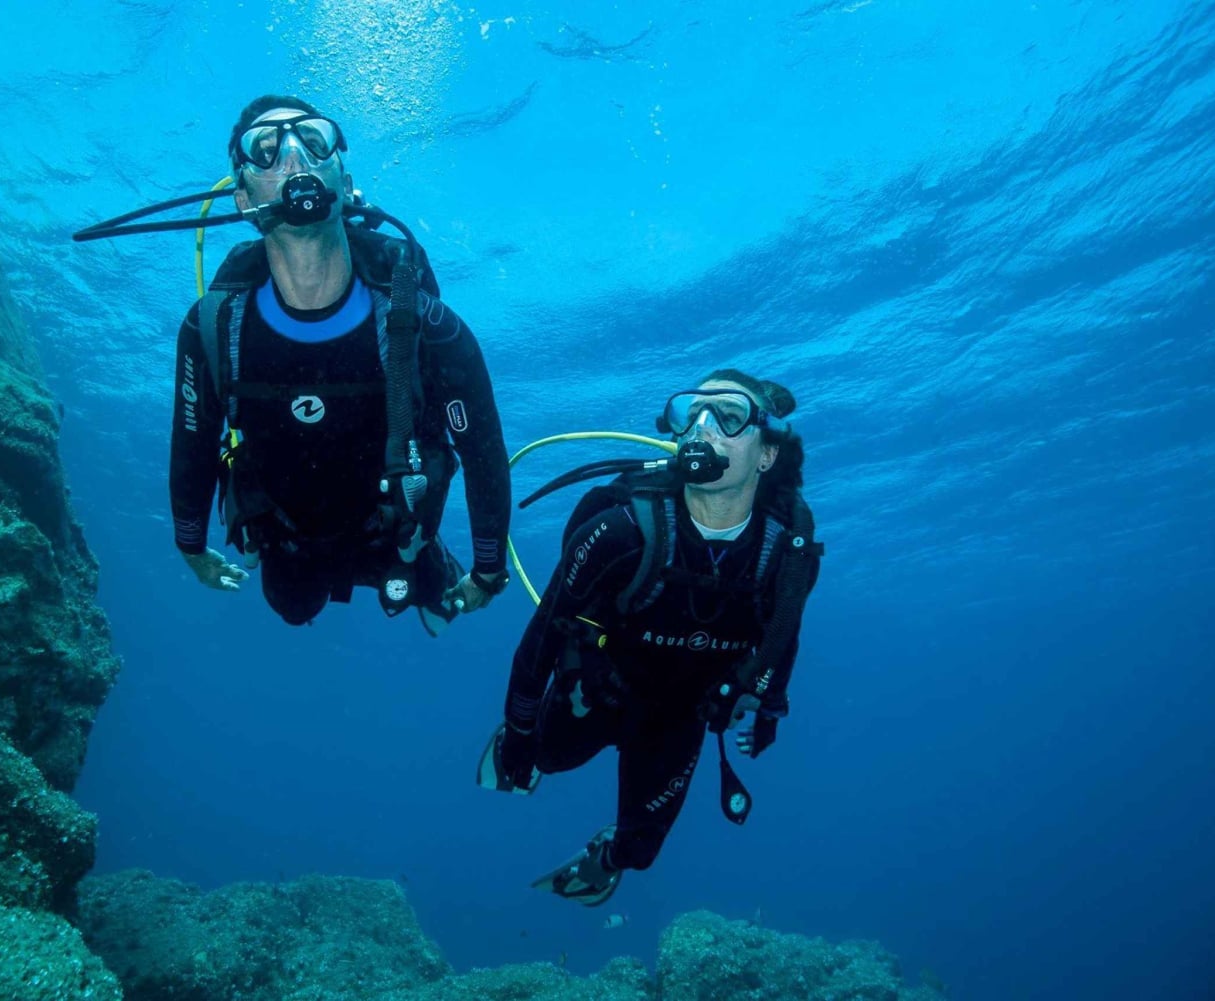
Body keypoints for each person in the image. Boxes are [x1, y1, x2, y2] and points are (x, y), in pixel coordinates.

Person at [477, 369, 822, 905]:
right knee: (543, 757)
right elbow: (542, 637)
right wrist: (518, 732)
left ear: (767, 455)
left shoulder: (787, 555)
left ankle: (605, 859)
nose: (701, 428)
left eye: (728, 416)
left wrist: (769, 707)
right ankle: (525, 745)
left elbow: (784, 635)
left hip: (680, 715)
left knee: (640, 852)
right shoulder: (620, 531)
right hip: (598, 689)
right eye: (690, 414)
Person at [168, 95, 512, 633]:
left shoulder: (427, 326)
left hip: (397, 533)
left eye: (313, 139)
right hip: (289, 534)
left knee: (427, 592)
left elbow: (483, 450)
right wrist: (190, 543)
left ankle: (429, 572)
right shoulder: (212, 327)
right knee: (291, 609)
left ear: (343, 176)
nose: (293, 158)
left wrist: (489, 568)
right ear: (242, 198)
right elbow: (193, 442)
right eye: (264, 149)